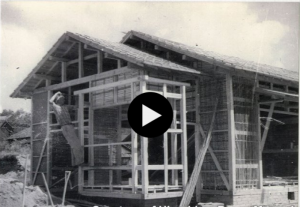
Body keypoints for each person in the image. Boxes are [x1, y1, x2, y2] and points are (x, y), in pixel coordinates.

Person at [49, 91, 84, 166]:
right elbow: (50, 101)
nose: (63, 100)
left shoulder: (66, 107)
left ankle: (78, 160)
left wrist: (78, 97)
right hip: (65, 127)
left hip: (68, 126)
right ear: (58, 100)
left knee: (74, 143)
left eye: (63, 99)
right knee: (75, 143)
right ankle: (79, 160)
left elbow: (76, 106)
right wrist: (56, 94)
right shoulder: (56, 106)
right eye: (61, 99)